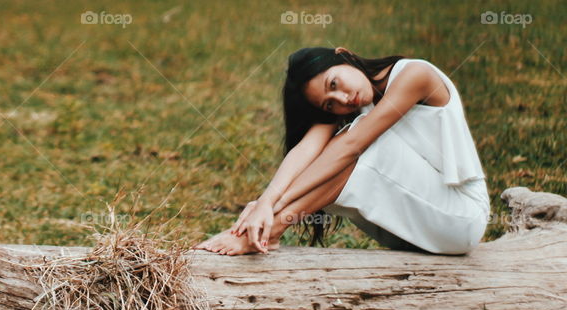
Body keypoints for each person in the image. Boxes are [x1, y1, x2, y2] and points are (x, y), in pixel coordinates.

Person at [193, 46, 490, 256]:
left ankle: (269, 232)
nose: (342, 99)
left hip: (461, 217)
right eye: (329, 104)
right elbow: (307, 149)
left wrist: (270, 207)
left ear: (344, 55)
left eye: (333, 83)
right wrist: (264, 201)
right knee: (336, 145)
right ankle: (265, 230)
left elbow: (352, 145)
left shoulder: (416, 74)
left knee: (355, 142)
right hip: (415, 229)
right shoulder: (354, 107)